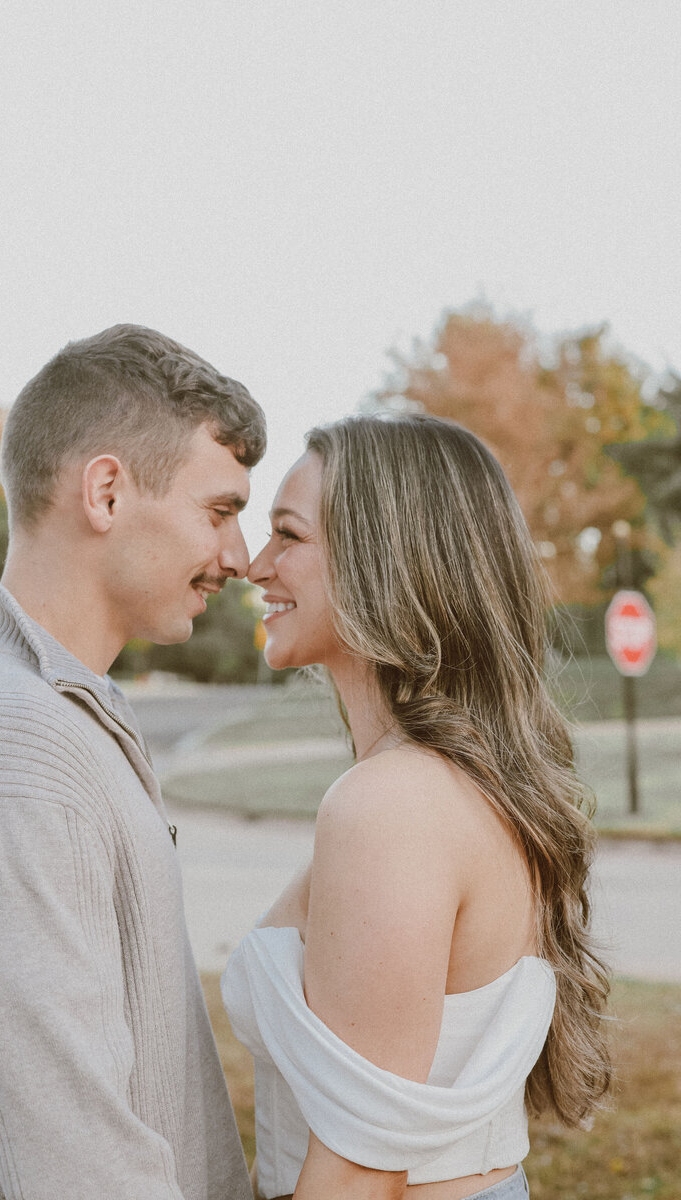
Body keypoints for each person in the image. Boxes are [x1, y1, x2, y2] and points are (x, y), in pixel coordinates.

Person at [0, 324, 265, 1200]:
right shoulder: (0, 743)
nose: (237, 560)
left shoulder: (59, 713)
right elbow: (79, 1165)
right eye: (220, 512)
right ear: (105, 492)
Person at [221, 413, 611, 1200]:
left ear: (380, 562)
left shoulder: (391, 805)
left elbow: (361, 1171)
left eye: (288, 536)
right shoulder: (457, 781)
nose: (256, 566)